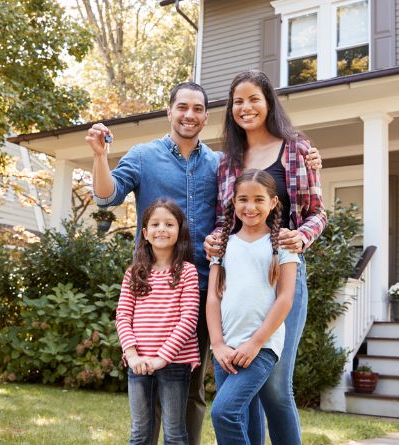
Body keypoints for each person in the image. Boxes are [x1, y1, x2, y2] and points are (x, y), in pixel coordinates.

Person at [86, 81, 321, 445]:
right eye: (182, 107)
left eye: (197, 109)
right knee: (150, 387)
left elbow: (242, 213)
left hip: (213, 285)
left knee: (194, 390)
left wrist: (311, 165)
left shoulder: (220, 162)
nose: (189, 115)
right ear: (169, 111)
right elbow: (106, 197)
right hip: (161, 290)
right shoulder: (145, 156)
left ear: (207, 116)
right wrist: (100, 156)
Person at [205, 69, 326, 444]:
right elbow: (223, 221)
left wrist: (298, 237)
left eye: (254, 99)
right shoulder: (227, 161)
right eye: (238, 101)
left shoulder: (298, 149)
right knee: (246, 391)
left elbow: (317, 213)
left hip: (282, 273)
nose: (246, 107)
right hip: (239, 279)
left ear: (269, 102)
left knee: (274, 387)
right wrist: (213, 241)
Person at [206, 169, 299, 445]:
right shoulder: (223, 245)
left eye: (259, 199)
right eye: (243, 199)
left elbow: (285, 299)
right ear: (233, 202)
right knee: (244, 418)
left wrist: (255, 343)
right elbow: (213, 297)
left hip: (261, 347)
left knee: (224, 412)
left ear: (273, 203)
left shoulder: (283, 243)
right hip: (226, 349)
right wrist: (218, 344)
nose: (250, 207)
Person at [117, 199, 201, 445]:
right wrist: (132, 355)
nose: (161, 229)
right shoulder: (134, 273)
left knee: (174, 434)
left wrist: (163, 357)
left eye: (169, 224)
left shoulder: (187, 272)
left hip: (174, 362)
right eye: (155, 224)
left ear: (179, 230)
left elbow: (188, 319)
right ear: (145, 233)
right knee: (140, 434)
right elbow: (123, 316)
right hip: (139, 363)